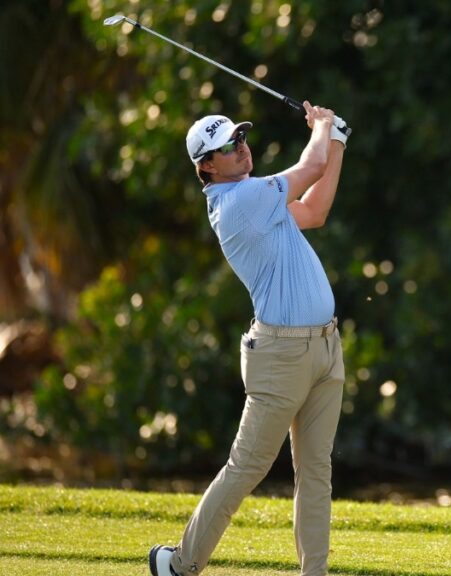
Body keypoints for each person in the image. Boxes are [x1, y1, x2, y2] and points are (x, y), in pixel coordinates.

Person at [149, 102, 349, 576]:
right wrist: (323, 129)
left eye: (241, 139)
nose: (241, 149)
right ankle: (181, 565)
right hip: (281, 356)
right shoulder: (239, 202)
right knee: (247, 468)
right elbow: (311, 166)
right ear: (207, 167)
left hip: (324, 348)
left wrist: (336, 139)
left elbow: (316, 210)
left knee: (316, 472)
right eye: (228, 148)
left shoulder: (261, 198)